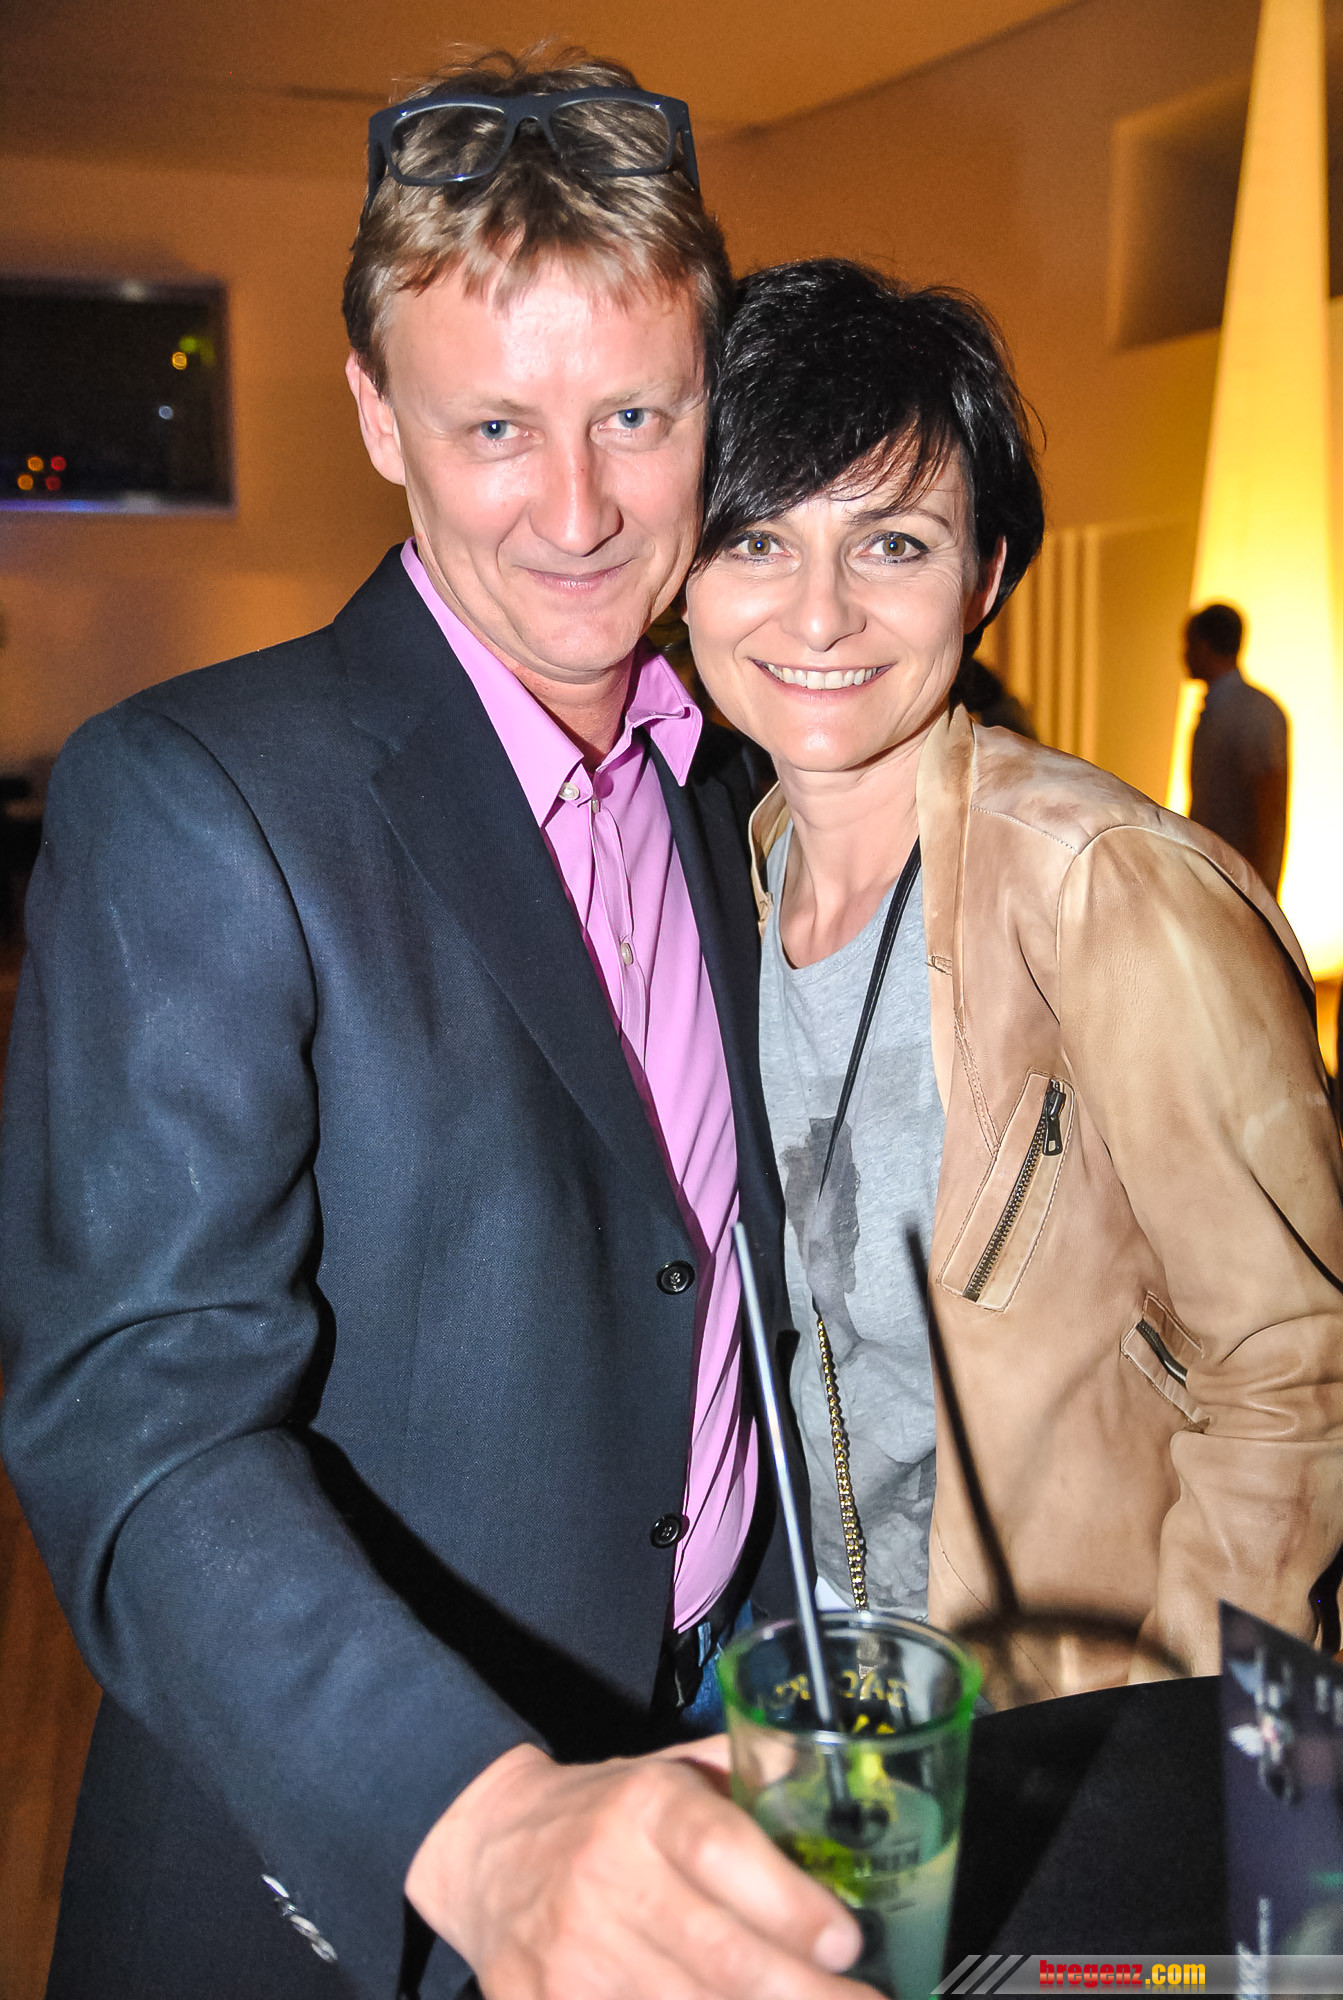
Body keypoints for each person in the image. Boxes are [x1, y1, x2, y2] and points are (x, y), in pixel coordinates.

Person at [0, 56, 871, 2000]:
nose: (577, 510)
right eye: (494, 427)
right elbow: (139, 1422)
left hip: (712, 1794)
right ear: (377, 417)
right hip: (345, 1881)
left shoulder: (735, 789)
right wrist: (485, 1826)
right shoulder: (199, 797)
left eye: (635, 415)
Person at [684, 259, 1343, 1679]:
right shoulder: (736, 865)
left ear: (982, 574)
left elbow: (1295, 1372)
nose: (817, 615)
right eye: (754, 540)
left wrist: (1179, 1747)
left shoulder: (1098, 884)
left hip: (1060, 1708)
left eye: (891, 544)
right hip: (820, 1680)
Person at [1185, 600, 1289, 896]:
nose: (1184, 654)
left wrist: (1255, 891)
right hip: (1222, 881)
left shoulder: (1253, 714)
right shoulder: (1250, 710)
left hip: (1236, 885)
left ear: (1204, 646)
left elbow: (1267, 810)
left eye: (1189, 644)